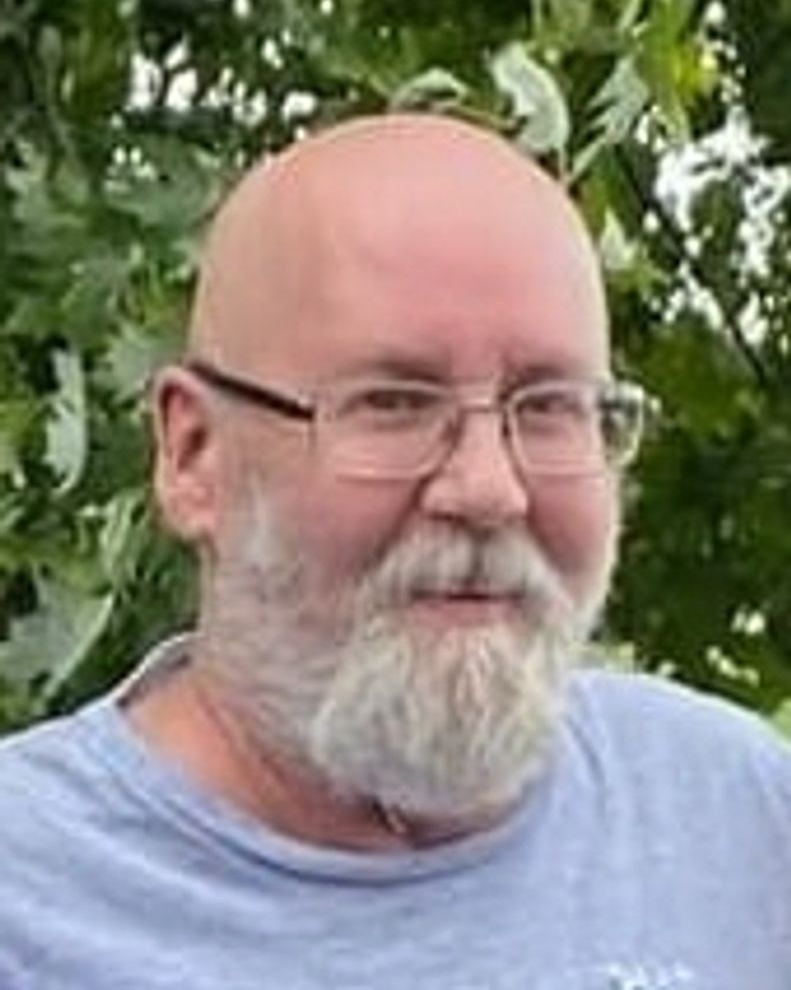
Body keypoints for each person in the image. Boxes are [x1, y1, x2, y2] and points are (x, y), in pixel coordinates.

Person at [1, 113, 789, 990]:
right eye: (393, 403)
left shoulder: (734, 817)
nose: (488, 489)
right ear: (195, 456)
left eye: (549, 406)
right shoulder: (28, 901)